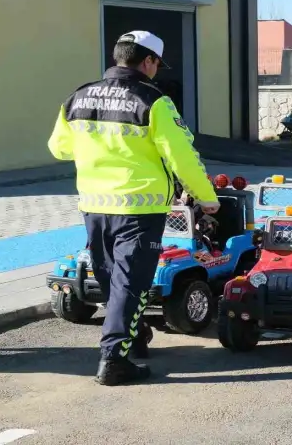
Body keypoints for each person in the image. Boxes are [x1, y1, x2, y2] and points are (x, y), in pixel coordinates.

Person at [47, 30, 220, 386]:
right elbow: (182, 156)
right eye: (158, 63)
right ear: (149, 61)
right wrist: (206, 197)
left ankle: (132, 339)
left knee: (111, 277)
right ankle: (113, 359)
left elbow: (59, 148)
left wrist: (98, 147)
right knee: (132, 283)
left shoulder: (78, 97)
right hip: (139, 206)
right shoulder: (154, 101)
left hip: (93, 202)